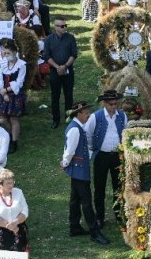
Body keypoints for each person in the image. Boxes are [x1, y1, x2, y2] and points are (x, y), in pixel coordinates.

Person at [61, 101, 109, 245]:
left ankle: (74, 226)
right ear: (79, 114)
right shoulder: (75, 129)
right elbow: (69, 150)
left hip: (78, 168)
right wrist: (64, 163)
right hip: (79, 169)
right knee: (86, 201)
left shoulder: (77, 127)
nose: (88, 115)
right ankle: (94, 232)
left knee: (75, 199)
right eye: (86, 112)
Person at [90, 89, 126, 229]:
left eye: (116, 103)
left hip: (117, 156)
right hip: (101, 156)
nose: (113, 107)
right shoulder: (96, 117)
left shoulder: (122, 116)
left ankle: (119, 215)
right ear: (104, 103)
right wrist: (92, 152)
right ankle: (100, 217)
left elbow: (125, 133)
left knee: (118, 187)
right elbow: (88, 135)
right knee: (99, 187)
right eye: (111, 104)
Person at [0, 169, 29, 252]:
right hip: (1, 234)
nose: (11, 185)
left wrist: (15, 222)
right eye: (8, 183)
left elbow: (25, 211)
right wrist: (9, 226)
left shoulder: (18, 192)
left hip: (18, 231)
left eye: (12, 182)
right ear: (0, 184)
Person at [44, 18, 77, 128]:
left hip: (68, 70)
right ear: (56, 27)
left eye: (65, 25)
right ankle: (56, 119)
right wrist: (58, 67)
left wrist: (65, 66)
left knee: (69, 96)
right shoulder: (48, 39)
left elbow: (73, 54)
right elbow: (47, 56)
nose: (64, 28)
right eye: (62, 26)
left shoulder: (71, 38)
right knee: (55, 96)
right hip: (54, 71)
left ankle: (69, 118)